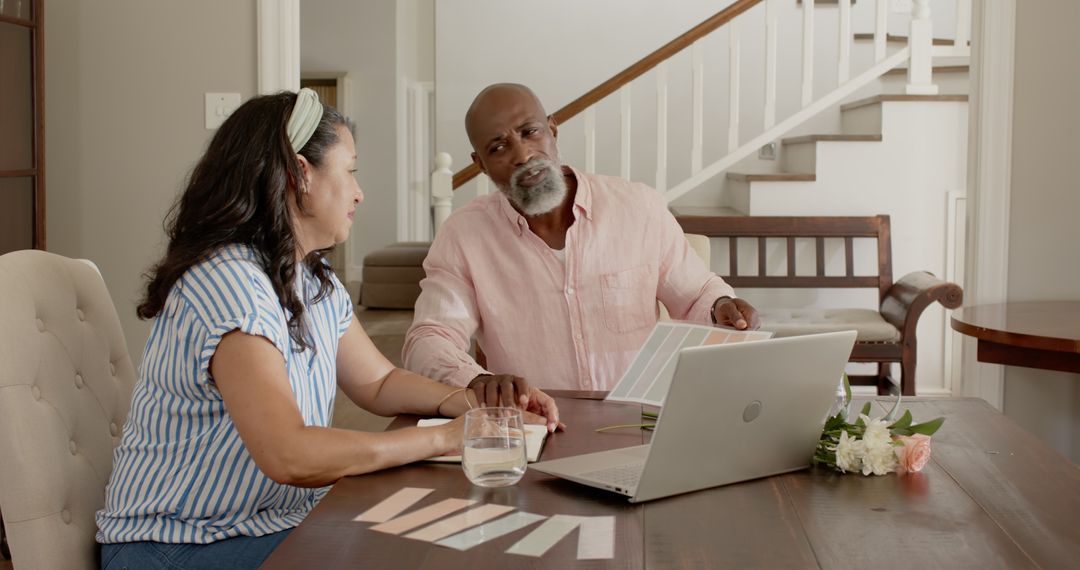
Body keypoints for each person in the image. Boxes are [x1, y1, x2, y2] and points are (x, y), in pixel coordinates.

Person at [95, 89, 560, 570]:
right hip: (178, 545)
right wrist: (446, 438)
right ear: (300, 174)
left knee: (453, 538)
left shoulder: (310, 278)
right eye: (350, 170)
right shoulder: (230, 282)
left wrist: (478, 403)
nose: (359, 192)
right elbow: (289, 455)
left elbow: (378, 383)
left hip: (270, 524)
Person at [404, 83, 759, 399]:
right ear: (480, 164)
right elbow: (429, 338)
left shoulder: (638, 207)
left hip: (639, 421)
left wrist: (720, 306)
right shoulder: (463, 236)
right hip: (535, 428)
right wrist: (474, 380)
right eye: (498, 148)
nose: (523, 155)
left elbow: (698, 295)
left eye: (530, 132)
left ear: (553, 130)